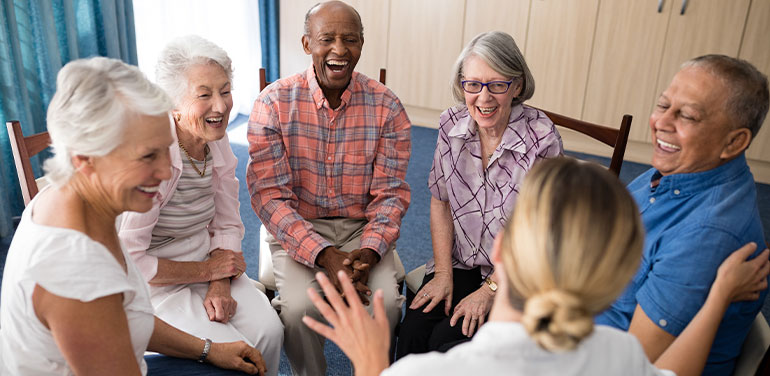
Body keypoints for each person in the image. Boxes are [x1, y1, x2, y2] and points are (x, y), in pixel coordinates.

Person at [303, 157, 770, 376]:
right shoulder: (620, 354)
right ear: (614, 281)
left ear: (499, 249)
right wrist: (717, 298)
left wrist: (368, 366)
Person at [0, 57, 266, 375]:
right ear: (86, 159)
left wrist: (208, 350)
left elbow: (128, 316)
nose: (167, 171)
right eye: (147, 156)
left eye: (165, 150)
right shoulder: (76, 274)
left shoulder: (72, 199)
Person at [246, 1, 411, 374]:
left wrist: (368, 253)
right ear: (307, 44)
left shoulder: (388, 107)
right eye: (327, 39)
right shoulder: (272, 104)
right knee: (300, 311)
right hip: (299, 227)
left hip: (363, 229)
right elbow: (270, 198)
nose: (339, 50)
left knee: (384, 305)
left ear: (362, 45)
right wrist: (325, 256)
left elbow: (391, 194)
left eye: (350, 40)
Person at [117, 35, 282, 376]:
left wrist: (220, 279)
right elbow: (131, 259)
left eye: (225, 90)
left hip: (208, 261)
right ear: (171, 104)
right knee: (234, 354)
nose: (220, 107)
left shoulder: (213, 140)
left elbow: (228, 219)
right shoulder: (150, 158)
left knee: (270, 331)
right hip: (155, 283)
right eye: (204, 95)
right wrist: (209, 271)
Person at [595, 54, 770, 375]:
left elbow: (634, 364)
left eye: (687, 116)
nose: (661, 122)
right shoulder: (678, 172)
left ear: (734, 142)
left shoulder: (707, 233)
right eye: (663, 106)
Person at [397, 30, 562, 357]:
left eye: (497, 85)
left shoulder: (542, 139)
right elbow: (440, 200)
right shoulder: (450, 124)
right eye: (473, 84)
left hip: (515, 274)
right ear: (462, 85)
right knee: (413, 330)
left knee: (445, 342)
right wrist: (443, 273)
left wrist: (491, 290)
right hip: (460, 261)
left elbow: (540, 233)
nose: (483, 98)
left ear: (516, 86)